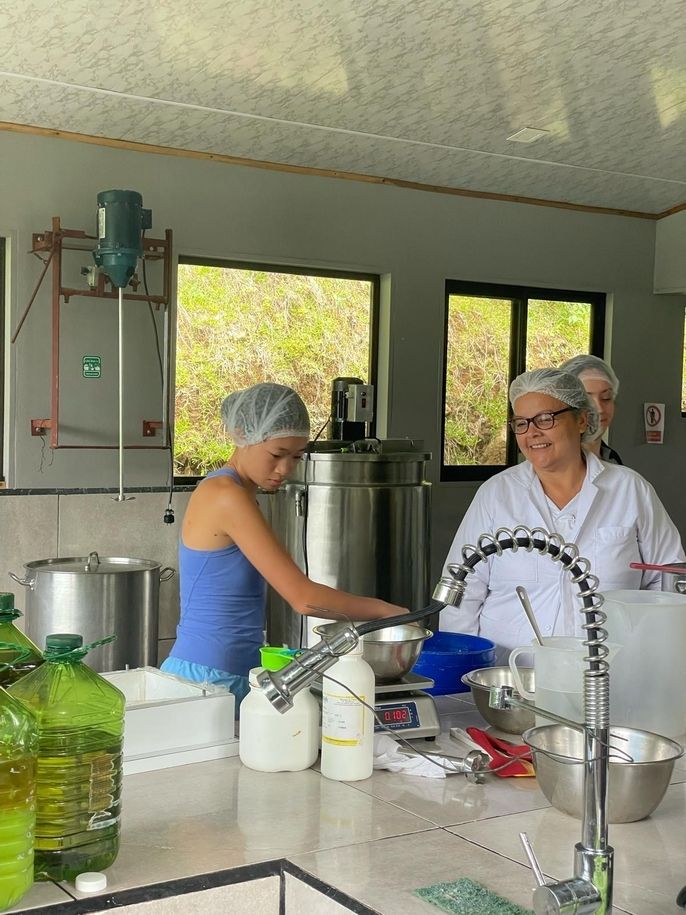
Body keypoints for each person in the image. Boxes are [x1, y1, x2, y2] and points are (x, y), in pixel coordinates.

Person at [161, 382, 407, 706]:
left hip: (228, 673)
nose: (285, 469)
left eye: (296, 457)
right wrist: (388, 612)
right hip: (206, 678)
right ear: (243, 434)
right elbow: (303, 599)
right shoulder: (226, 495)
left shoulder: (241, 493)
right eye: (277, 455)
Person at [440, 368, 684, 663]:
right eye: (521, 423)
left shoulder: (630, 490)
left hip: (609, 674)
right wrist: (462, 674)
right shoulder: (496, 495)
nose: (532, 432)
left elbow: (669, 584)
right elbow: (462, 593)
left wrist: (650, 665)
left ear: (581, 420)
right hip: (512, 674)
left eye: (546, 418)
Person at [559, 354, 622, 464]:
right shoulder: (552, 464)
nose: (599, 409)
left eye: (606, 398)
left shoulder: (612, 458)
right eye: (587, 399)